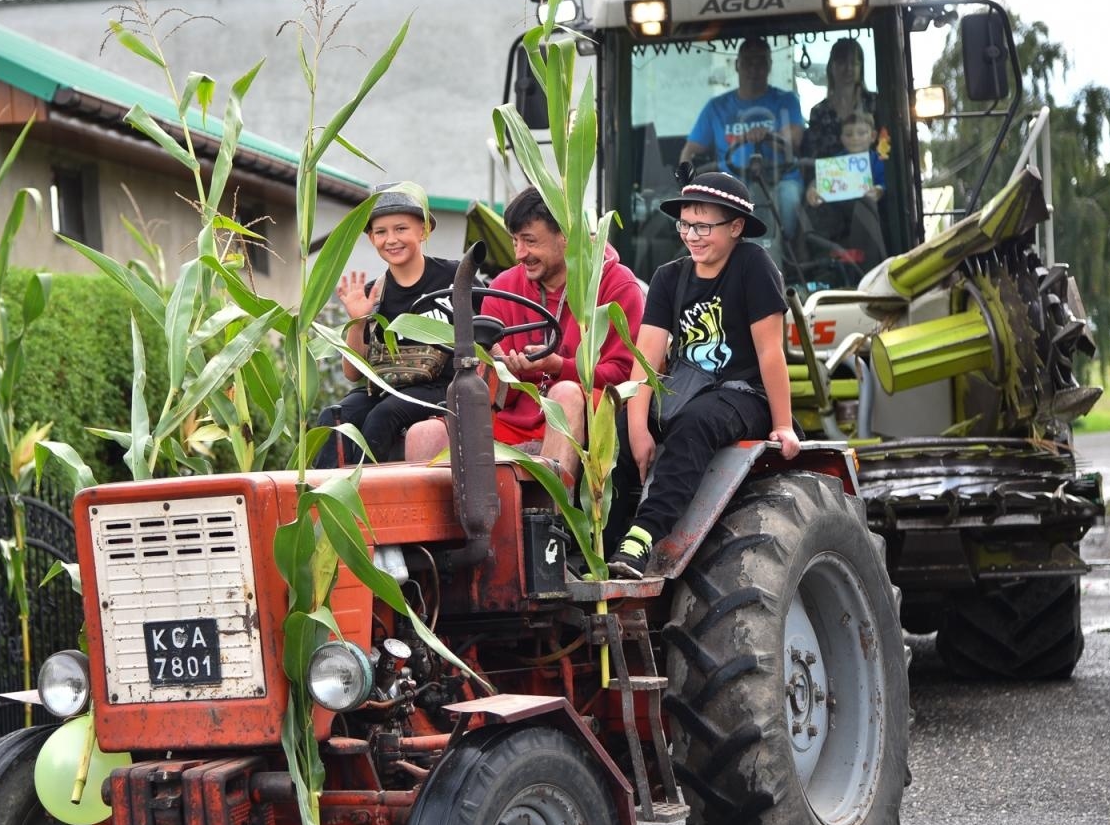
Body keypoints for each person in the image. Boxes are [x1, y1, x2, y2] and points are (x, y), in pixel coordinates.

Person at [610, 172, 800, 578]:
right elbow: (645, 359)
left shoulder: (753, 266)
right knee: (621, 426)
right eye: (685, 225)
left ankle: (645, 534)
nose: (692, 236)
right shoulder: (668, 277)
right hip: (687, 386)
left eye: (703, 226)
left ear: (736, 227)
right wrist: (638, 427)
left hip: (744, 393)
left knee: (697, 424)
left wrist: (783, 425)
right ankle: (607, 539)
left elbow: (770, 353)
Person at [403, 186, 644, 484]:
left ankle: (556, 521)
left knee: (564, 394)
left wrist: (558, 367)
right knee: (424, 434)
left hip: (589, 415)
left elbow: (625, 377)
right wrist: (499, 371)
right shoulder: (503, 288)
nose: (519, 254)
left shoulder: (616, 285)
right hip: (515, 419)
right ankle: (446, 530)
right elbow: (496, 395)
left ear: (566, 236)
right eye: (515, 241)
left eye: (529, 241)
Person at [314, 183, 456, 468]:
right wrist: (358, 321)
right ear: (371, 238)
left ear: (424, 230)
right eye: (381, 232)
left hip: (442, 387)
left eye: (401, 228)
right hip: (386, 388)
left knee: (384, 415)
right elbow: (353, 373)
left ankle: (368, 496)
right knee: (333, 416)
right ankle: (325, 501)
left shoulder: (454, 277)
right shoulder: (373, 292)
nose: (391, 239)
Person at [679, 36, 805, 248]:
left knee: (790, 197)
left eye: (760, 62)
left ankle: (790, 248)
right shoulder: (716, 108)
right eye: (748, 62)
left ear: (770, 66)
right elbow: (689, 151)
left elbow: (794, 139)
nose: (754, 69)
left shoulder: (786, 101)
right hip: (731, 185)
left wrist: (767, 136)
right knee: (717, 214)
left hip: (780, 178)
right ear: (737, 65)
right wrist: (687, 188)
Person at [801, 39, 886, 276]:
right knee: (807, 211)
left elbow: (887, 148)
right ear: (831, 67)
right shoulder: (819, 112)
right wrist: (812, 186)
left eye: (854, 63)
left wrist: (879, 185)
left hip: (870, 188)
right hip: (831, 189)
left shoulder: (877, 104)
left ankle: (872, 275)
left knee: (867, 208)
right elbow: (812, 157)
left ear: (861, 67)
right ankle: (817, 277)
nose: (848, 69)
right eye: (841, 62)